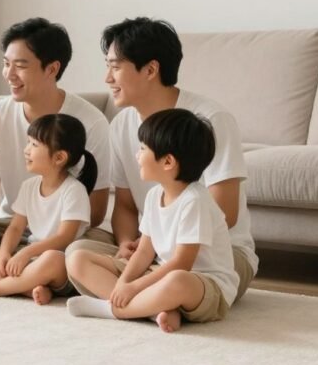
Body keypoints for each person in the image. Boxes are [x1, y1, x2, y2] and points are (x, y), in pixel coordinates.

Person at [66, 17, 257, 300]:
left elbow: (224, 213)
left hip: (217, 255)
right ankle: (148, 305)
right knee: (75, 253)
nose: (108, 79)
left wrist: (153, 248)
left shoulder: (209, 120)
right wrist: (128, 243)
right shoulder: (120, 125)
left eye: (116, 67)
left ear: (151, 69)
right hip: (155, 249)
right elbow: (127, 207)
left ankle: (135, 301)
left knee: (178, 279)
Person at [0, 17, 113, 280]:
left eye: (20, 66)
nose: (9, 74)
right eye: (6, 64)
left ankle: (16, 279)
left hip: (69, 231)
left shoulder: (90, 122)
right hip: (14, 226)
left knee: (78, 254)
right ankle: (32, 281)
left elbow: (96, 213)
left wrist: (45, 236)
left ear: (52, 69)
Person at [66, 109, 240, 332]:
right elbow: (144, 252)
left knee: (177, 280)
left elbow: (181, 264)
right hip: (160, 271)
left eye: (142, 149)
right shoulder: (153, 195)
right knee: (77, 259)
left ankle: (114, 309)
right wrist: (123, 283)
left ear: (168, 161)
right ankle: (153, 311)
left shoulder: (195, 201)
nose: (137, 156)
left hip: (205, 284)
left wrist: (134, 286)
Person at [0, 114, 97, 304]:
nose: (26, 150)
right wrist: (5, 254)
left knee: (51, 259)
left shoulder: (74, 191)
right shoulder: (29, 186)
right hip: (28, 260)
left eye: (34, 145)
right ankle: (29, 289)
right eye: (28, 143)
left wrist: (25, 254)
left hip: (58, 265)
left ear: (59, 157)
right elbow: (15, 228)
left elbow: (64, 238)